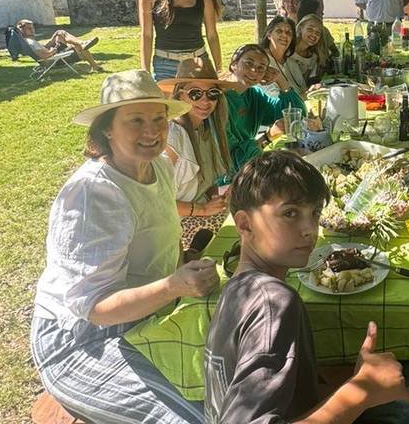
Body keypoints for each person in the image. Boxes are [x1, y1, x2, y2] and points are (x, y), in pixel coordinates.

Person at [205, 151, 409, 424]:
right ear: (244, 224)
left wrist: (355, 380)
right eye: (290, 213)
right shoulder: (273, 302)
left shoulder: (234, 290)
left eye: (315, 213)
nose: (310, 228)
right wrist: (361, 392)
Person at [30, 69, 219, 423]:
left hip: (148, 313)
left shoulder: (160, 166)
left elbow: (164, 232)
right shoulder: (94, 194)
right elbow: (95, 307)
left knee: (236, 385)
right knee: (191, 419)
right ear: (106, 129)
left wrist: (183, 262)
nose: (151, 131)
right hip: (81, 340)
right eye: (135, 120)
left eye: (159, 119)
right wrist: (175, 285)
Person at [158, 58, 234, 250]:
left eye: (213, 93)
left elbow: (207, 182)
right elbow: (157, 202)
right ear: (180, 95)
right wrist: (203, 210)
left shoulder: (207, 129)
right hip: (176, 227)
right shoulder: (173, 136)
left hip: (201, 215)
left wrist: (215, 198)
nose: (205, 101)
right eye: (195, 93)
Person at [222, 44, 305, 171]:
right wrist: (267, 138)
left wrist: (281, 80)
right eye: (248, 63)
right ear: (234, 64)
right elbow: (235, 159)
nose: (254, 71)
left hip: (249, 164)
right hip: (227, 176)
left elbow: (296, 115)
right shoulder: (218, 102)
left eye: (261, 68)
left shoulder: (254, 95)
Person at [14, 19, 102, 72]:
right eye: (29, 28)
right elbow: (43, 56)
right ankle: (94, 65)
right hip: (53, 59)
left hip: (51, 54)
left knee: (59, 33)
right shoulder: (30, 42)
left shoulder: (28, 41)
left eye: (32, 27)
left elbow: (41, 51)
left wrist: (50, 43)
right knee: (77, 46)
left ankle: (83, 44)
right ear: (21, 30)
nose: (32, 30)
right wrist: (53, 51)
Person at [259, 15, 305, 97]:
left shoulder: (292, 63)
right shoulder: (261, 61)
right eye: (279, 31)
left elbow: (303, 90)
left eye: (288, 33)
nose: (284, 35)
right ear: (269, 35)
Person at [296, 0, 338, 73]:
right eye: (310, 29)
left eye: (318, 32)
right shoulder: (288, 51)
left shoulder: (312, 56)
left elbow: (306, 82)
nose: (322, 14)